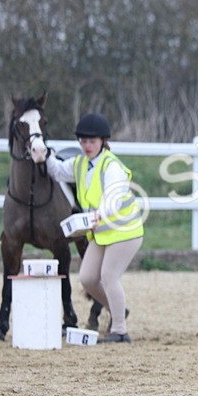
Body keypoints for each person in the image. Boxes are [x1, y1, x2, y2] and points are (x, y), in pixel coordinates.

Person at [45, 112, 143, 343]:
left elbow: (115, 196)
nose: (87, 146)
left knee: (109, 277)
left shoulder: (112, 166)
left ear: (103, 142)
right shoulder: (80, 163)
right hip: (101, 232)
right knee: (88, 279)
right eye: (83, 141)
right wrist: (45, 156)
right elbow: (57, 171)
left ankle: (120, 330)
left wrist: (100, 213)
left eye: (92, 141)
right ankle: (119, 310)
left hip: (124, 231)